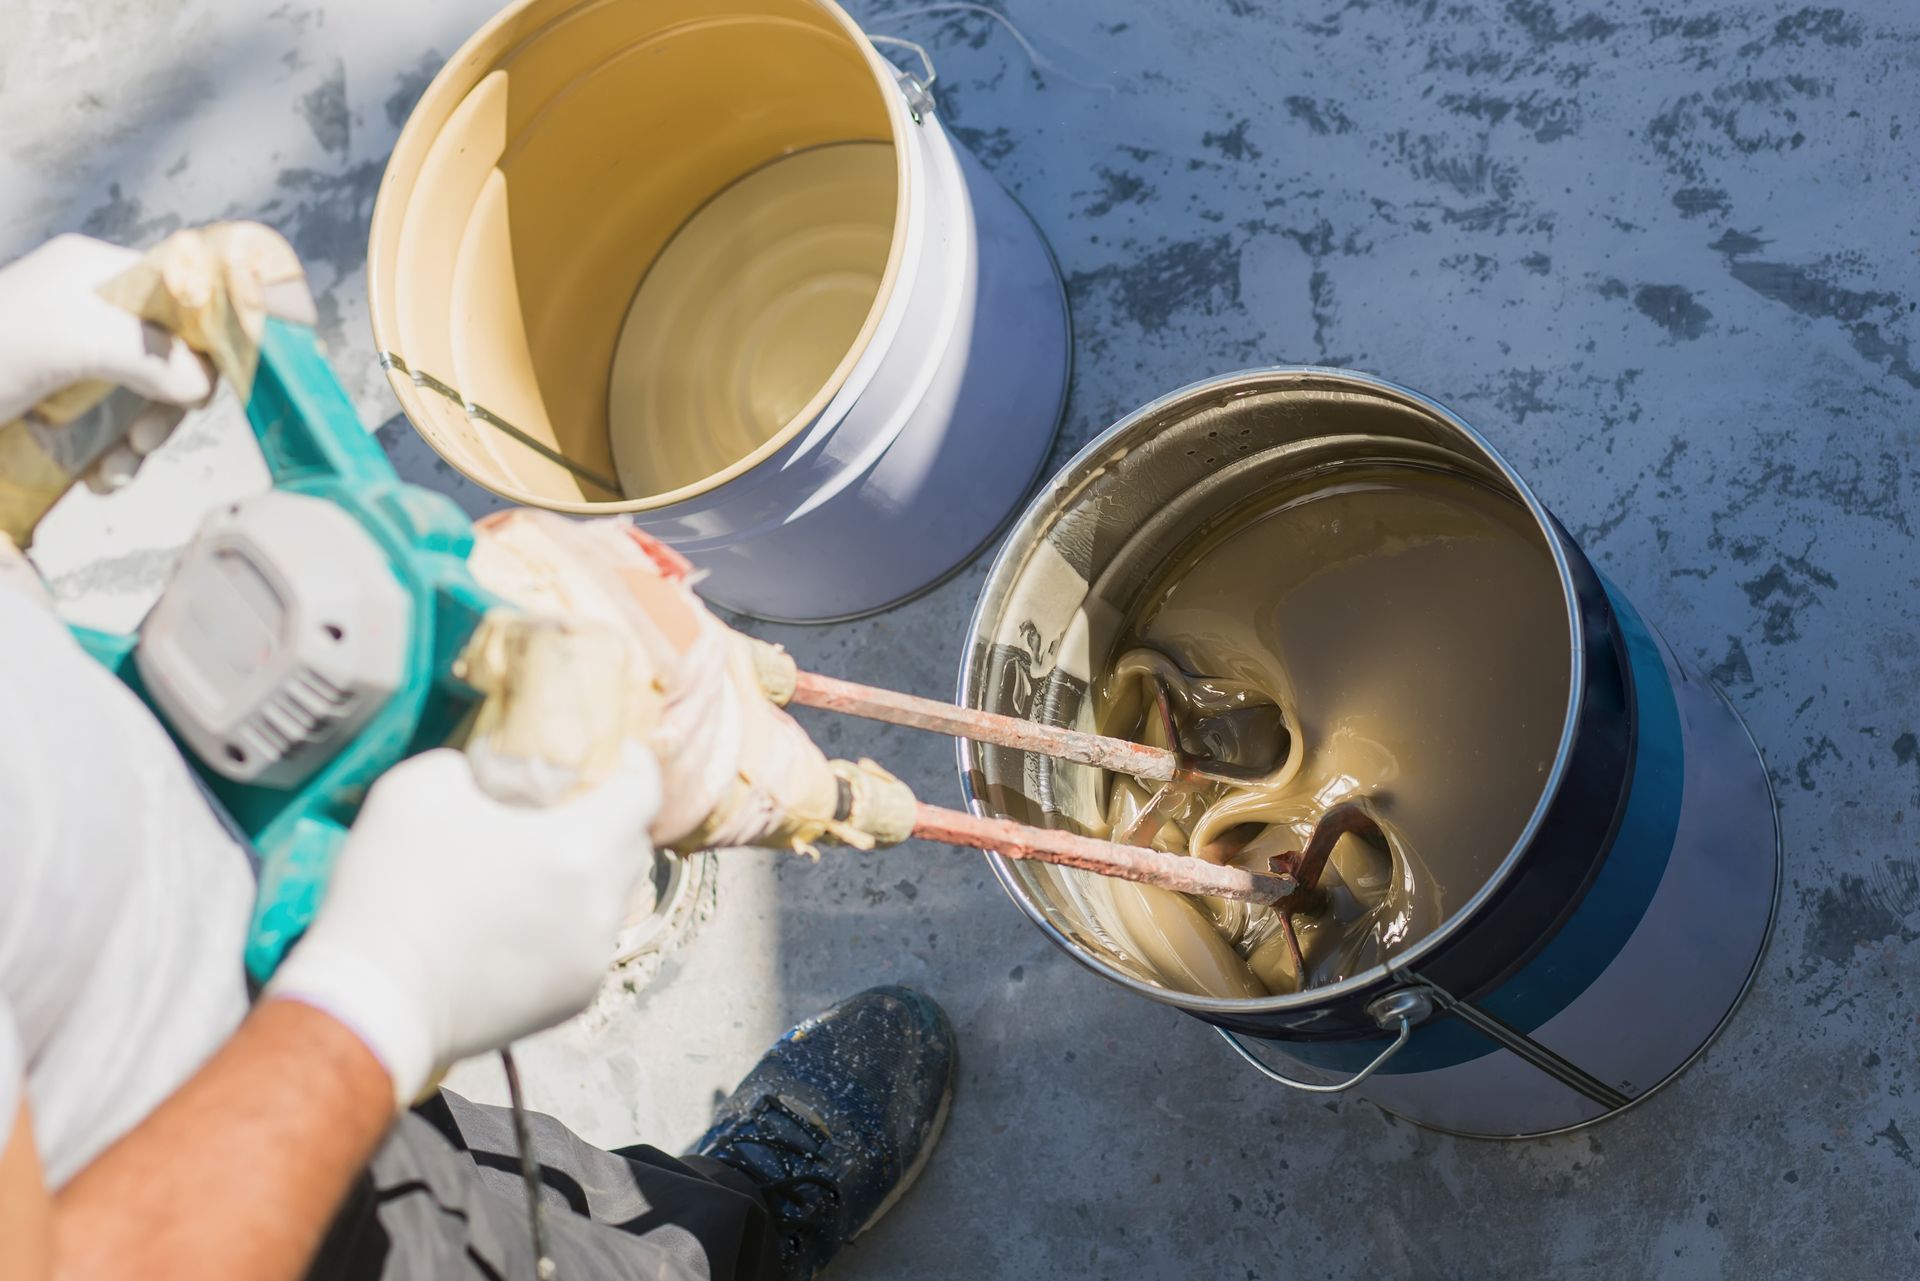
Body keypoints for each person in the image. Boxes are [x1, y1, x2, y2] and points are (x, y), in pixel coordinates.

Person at [0, 232, 955, 1281]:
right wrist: (375, 1001)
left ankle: (731, 1226)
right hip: (197, 1223)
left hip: (212, 1001)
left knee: (532, 1193)